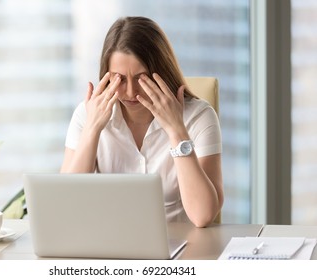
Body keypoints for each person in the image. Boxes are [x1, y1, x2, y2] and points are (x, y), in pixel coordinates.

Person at [60, 16, 223, 228]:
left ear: (162, 73)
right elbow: (66, 204)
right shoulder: (87, 114)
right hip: (107, 245)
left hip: (178, 248)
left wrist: (176, 131)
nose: (130, 92)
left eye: (141, 78)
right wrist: (92, 129)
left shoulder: (199, 117)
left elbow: (203, 215)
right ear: (107, 77)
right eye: (120, 79)